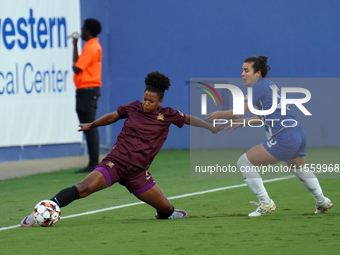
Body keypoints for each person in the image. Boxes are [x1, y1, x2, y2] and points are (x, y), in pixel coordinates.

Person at [20, 71, 222, 227]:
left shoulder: (168, 115)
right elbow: (113, 116)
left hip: (138, 173)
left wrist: (210, 127)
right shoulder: (133, 107)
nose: (146, 103)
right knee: (84, 188)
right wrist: (93, 124)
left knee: (167, 210)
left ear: (160, 101)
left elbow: (188, 119)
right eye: (145, 98)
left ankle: (166, 212)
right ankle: (40, 211)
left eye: (151, 101)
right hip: (115, 163)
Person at [206, 55, 333, 217]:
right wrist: (243, 122)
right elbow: (262, 117)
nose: (242, 74)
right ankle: (322, 201)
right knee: (298, 169)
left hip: (284, 136)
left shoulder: (258, 87)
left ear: (258, 73)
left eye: (246, 71)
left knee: (244, 162)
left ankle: (265, 203)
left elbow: (238, 112)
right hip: (297, 132)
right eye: (242, 70)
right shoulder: (269, 86)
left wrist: (220, 113)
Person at [73, 18, 103, 173]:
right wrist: (75, 45)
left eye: (84, 28)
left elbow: (77, 68)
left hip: (87, 90)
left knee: (89, 126)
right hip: (89, 90)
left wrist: (75, 47)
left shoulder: (90, 47)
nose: (82, 30)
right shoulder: (93, 45)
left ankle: (93, 163)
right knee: (89, 126)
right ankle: (93, 162)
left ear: (89, 31)